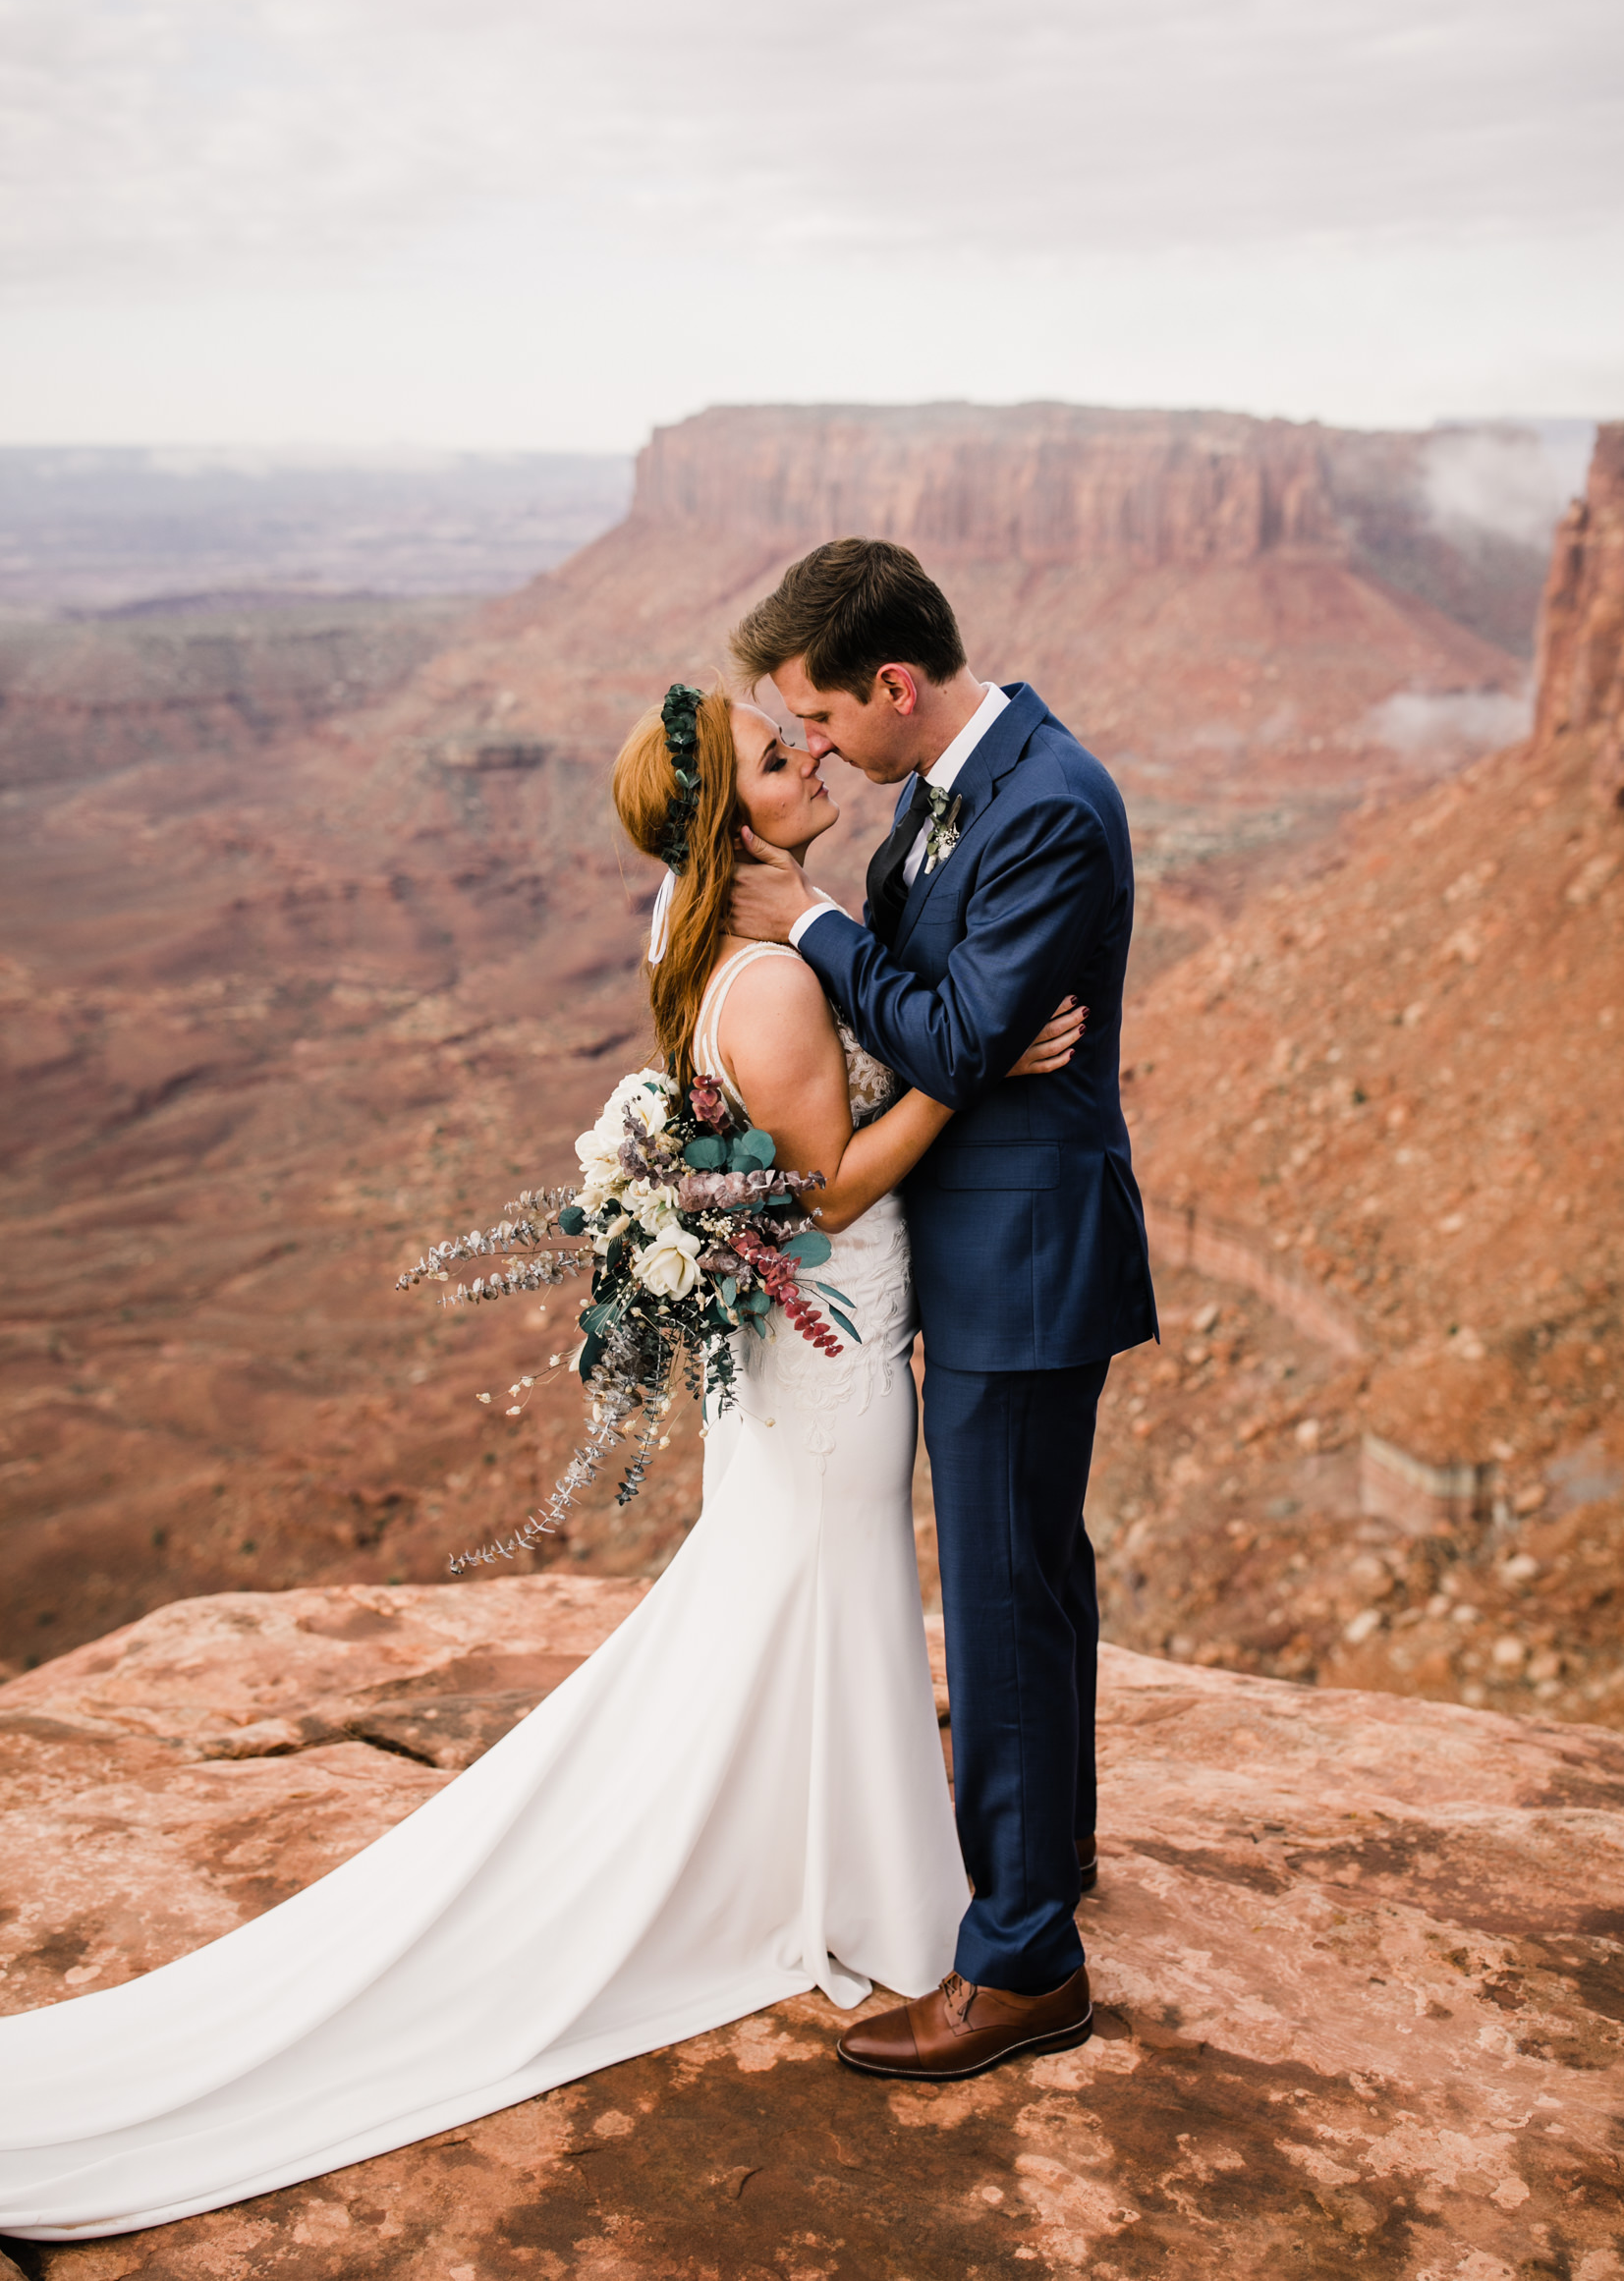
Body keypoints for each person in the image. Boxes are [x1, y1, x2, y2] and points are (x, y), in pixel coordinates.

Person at [0, 681, 1080, 2241]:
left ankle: (837, 1848)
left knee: (808, 1587)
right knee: (835, 1579)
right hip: (834, 1339)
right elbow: (832, 1191)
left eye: (806, 735)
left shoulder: (704, 934)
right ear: (736, 824)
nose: (817, 757)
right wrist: (974, 1067)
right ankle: (871, 1890)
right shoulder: (771, 982)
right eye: (784, 759)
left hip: (803, 1354)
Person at [728, 538, 1157, 2082]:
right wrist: (938, 1016)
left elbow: (958, 1028)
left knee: (998, 1594)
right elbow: (950, 1019)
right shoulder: (952, 783)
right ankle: (1057, 1855)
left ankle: (1025, 1963)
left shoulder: (1046, 800)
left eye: (823, 719)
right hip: (983, 1245)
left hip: (1022, 1261)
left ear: (894, 685)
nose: (820, 748)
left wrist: (813, 923)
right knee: (1030, 1574)